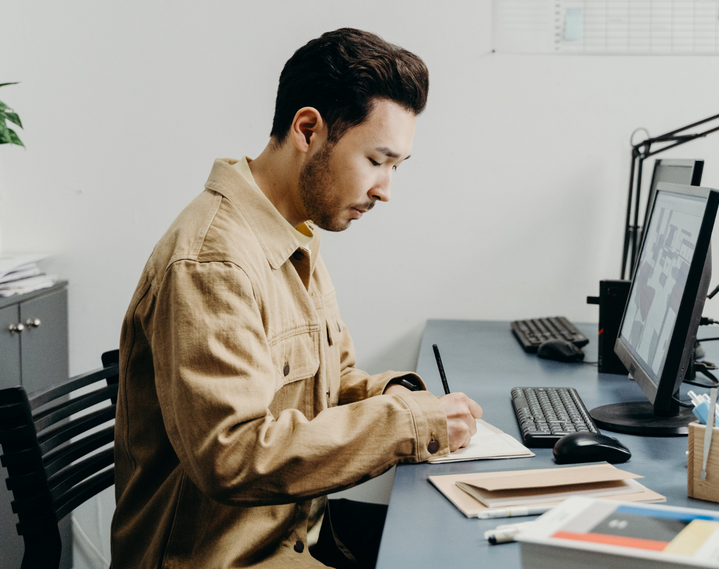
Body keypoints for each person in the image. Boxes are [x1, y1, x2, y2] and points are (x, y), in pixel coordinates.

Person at [111, 28, 483, 569]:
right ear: (308, 129)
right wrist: (406, 424)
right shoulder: (212, 264)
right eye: (377, 160)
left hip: (300, 537)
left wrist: (405, 397)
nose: (385, 190)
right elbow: (232, 455)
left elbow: (329, 387)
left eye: (396, 167)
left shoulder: (294, 233)